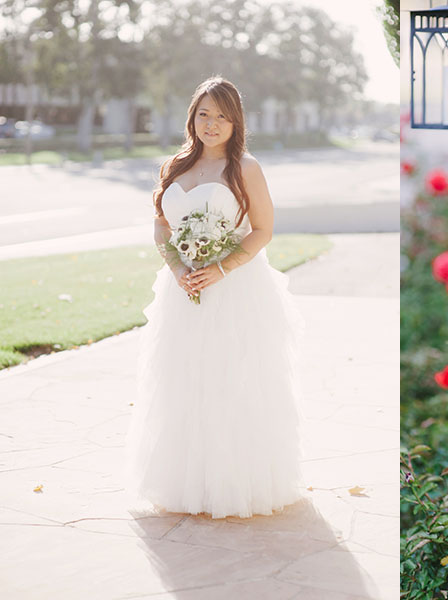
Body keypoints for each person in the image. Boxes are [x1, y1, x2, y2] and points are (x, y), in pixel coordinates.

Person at [123, 76, 305, 519]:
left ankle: (233, 484)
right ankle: (186, 483)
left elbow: (263, 230)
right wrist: (180, 268)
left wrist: (220, 268)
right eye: (204, 113)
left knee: (231, 381)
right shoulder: (175, 165)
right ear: (192, 117)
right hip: (182, 289)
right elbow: (161, 225)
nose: (212, 123)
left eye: (222, 115)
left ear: (235, 121)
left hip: (234, 289)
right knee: (183, 381)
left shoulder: (246, 168)